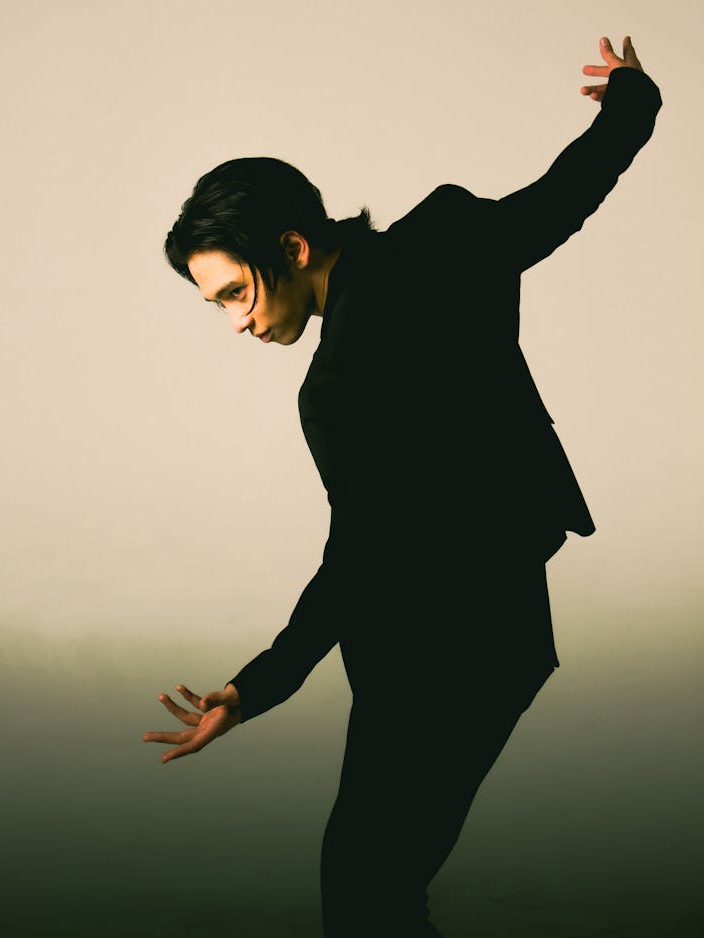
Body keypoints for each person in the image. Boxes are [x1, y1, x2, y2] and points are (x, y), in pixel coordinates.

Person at [143, 36, 662, 937]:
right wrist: (632, 98)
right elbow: (567, 195)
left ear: (292, 246)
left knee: (365, 888)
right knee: (378, 880)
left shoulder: (339, 387)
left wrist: (256, 686)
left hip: (433, 659)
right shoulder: (448, 240)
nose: (236, 324)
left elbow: (359, 555)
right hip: (504, 635)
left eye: (233, 295)